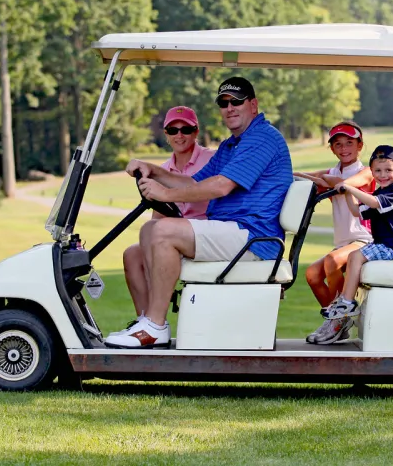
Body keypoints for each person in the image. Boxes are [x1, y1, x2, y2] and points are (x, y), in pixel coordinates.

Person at [105, 77, 293, 349]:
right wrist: (152, 169)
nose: (230, 108)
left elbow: (220, 186)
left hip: (254, 237)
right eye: (224, 103)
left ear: (253, 105)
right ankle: (148, 321)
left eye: (236, 101)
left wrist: (164, 194)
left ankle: (155, 325)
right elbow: (193, 182)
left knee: (161, 230)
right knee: (148, 232)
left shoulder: (262, 138)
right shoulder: (232, 145)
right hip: (233, 231)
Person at [306, 145, 393, 345]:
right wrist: (348, 193)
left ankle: (347, 303)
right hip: (386, 244)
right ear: (373, 172)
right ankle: (344, 305)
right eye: (377, 171)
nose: (382, 175)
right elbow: (357, 212)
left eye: (388, 170)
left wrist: (349, 187)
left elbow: (374, 203)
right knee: (353, 257)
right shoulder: (381, 191)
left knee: (355, 256)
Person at [121, 106, 214, 318]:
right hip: (174, 238)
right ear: (166, 134)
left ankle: (155, 320)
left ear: (196, 131)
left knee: (157, 232)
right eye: (173, 131)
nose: (179, 135)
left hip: (203, 235)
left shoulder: (211, 160)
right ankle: (144, 321)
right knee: (132, 254)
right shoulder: (162, 171)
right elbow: (158, 217)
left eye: (186, 129)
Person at [293, 121, 374, 320]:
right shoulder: (333, 172)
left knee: (331, 260)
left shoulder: (368, 172)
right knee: (312, 274)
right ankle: (337, 322)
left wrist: (325, 180)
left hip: (365, 240)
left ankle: (338, 319)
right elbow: (301, 177)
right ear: (332, 149)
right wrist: (319, 179)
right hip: (344, 243)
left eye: (349, 143)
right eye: (338, 144)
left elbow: (346, 185)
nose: (344, 148)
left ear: (360, 145)